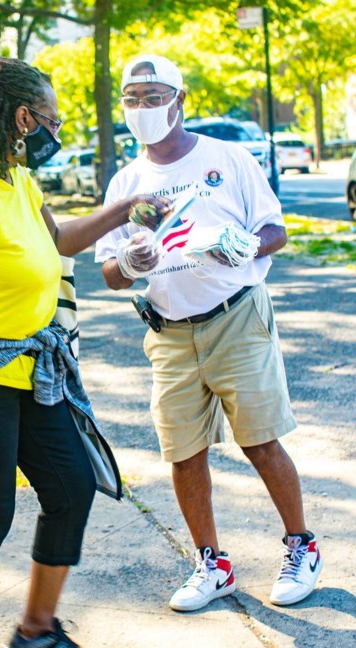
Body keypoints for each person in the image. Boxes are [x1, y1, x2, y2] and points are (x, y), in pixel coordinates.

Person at [0, 56, 167, 648]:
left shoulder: (15, 174)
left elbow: (57, 240)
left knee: (71, 488)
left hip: (33, 369)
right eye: (51, 121)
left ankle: (36, 629)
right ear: (22, 117)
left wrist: (125, 212)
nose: (57, 134)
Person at [95, 55, 322, 612]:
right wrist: (130, 260)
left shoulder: (227, 158)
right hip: (169, 334)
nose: (143, 108)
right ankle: (210, 563)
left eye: (154, 96)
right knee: (183, 452)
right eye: (133, 98)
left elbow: (275, 229)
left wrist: (248, 245)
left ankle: (300, 545)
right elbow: (108, 273)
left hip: (237, 317)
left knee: (260, 440)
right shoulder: (126, 183)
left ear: (180, 99)